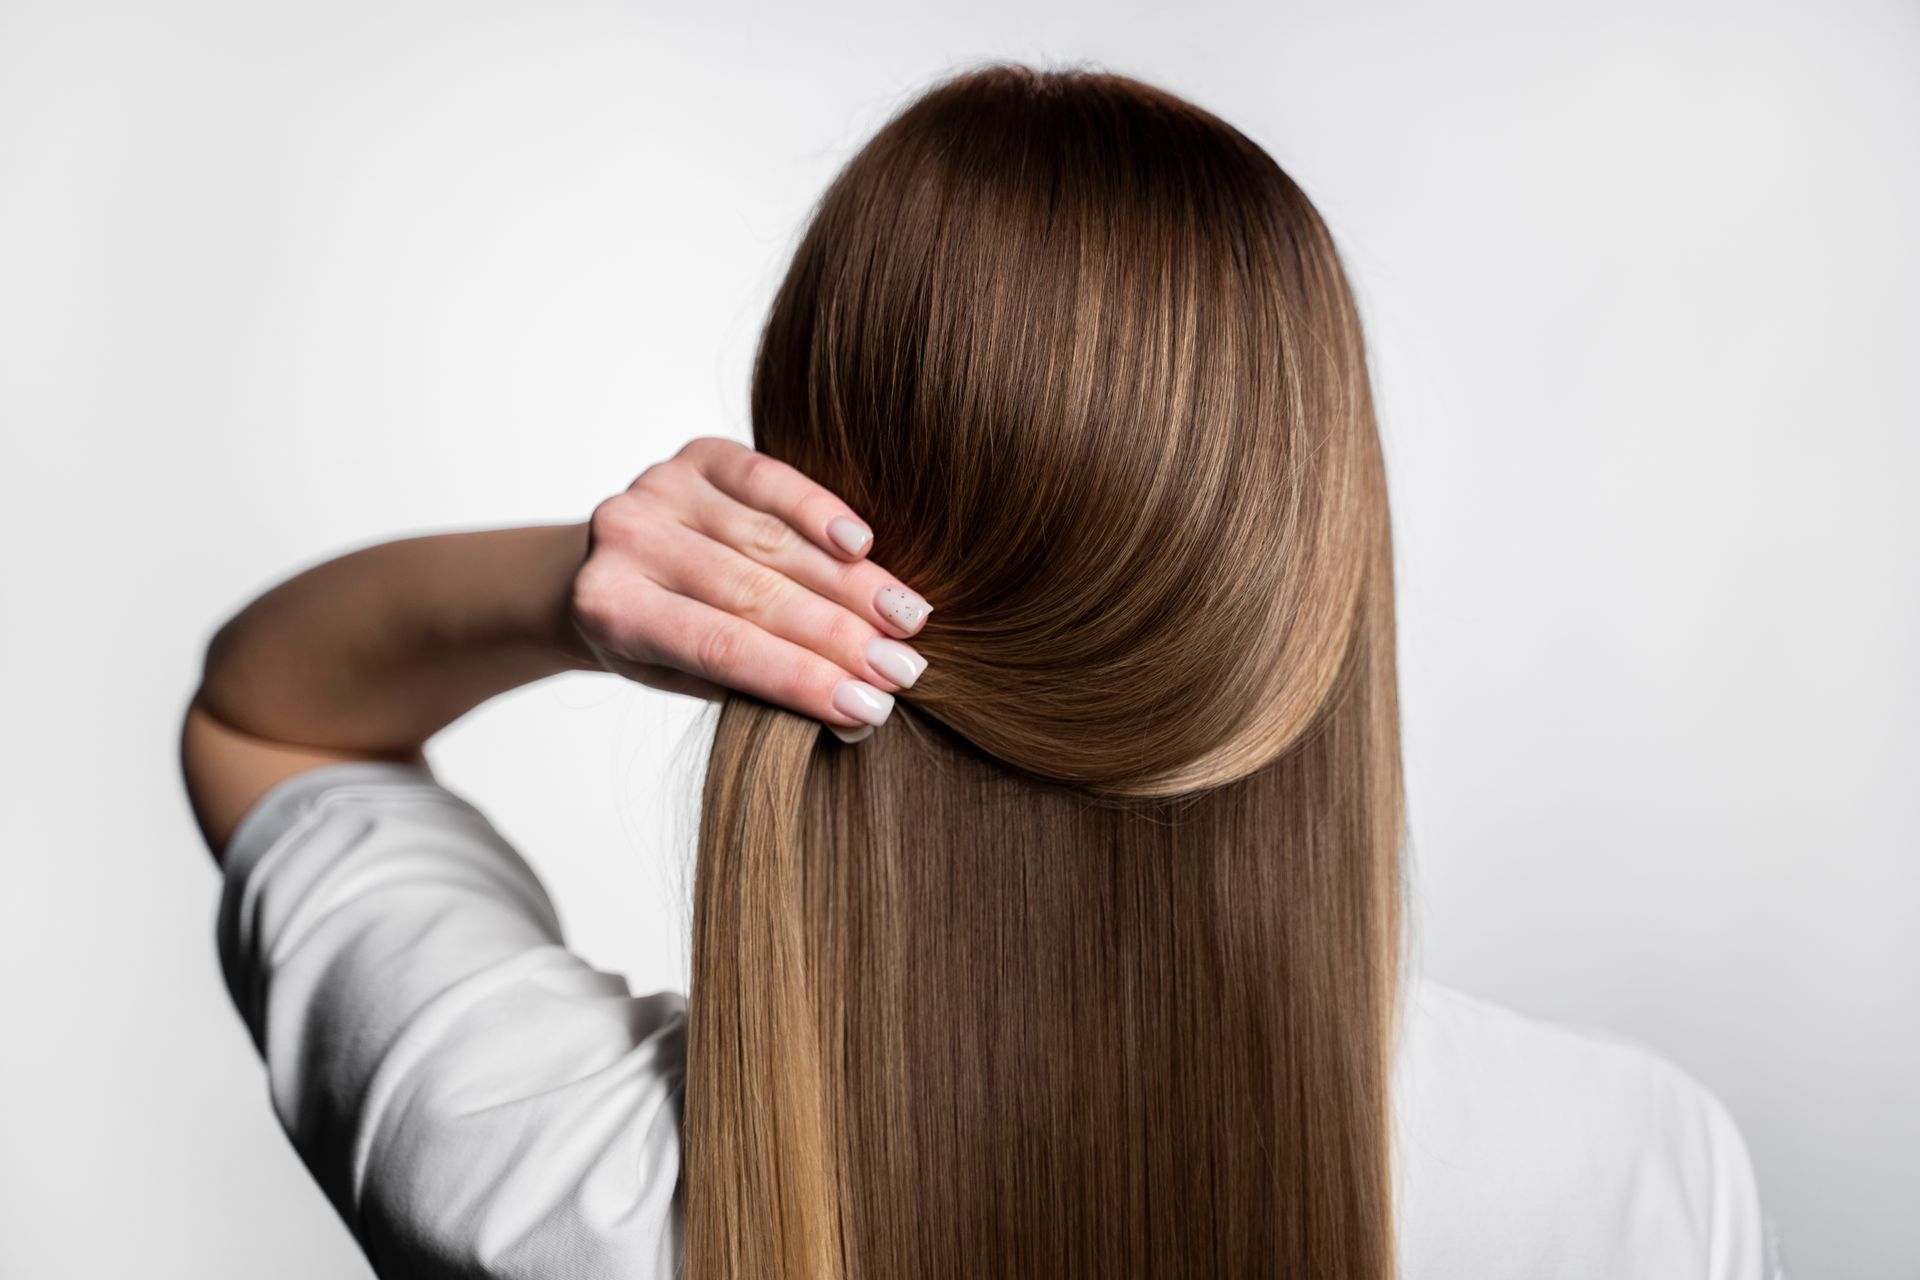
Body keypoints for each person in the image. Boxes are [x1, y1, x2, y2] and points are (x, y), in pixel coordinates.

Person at [180, 63, 1783, 1280]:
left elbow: (267, 716)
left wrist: (582, 586)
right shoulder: (1639, 1178)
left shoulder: (556, 1173)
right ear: (1316, 583)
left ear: (813, 541)